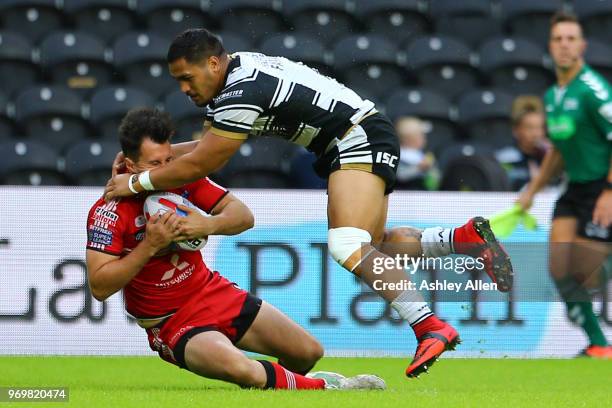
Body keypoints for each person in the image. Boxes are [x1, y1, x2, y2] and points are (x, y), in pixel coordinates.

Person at [103, 29, 514, 377]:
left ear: (213, 64)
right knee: (373, 245)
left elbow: (208, 160)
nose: (184, 89)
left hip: (356, 138)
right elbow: (205, 147)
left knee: (345, 244)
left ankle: (428, 326)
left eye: (186, 78)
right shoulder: (237, 76)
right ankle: (461, 240)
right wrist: (151, 161)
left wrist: (137, 181)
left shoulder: (240, 90)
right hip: (359, 135)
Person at [86, 107, 385, 390]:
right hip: (170, 321)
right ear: (129, 164)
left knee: (307, 352)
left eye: (168, 160)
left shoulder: (180, 178)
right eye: (154, 164)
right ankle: (330, 388)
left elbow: (243, 216)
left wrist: (206, 225)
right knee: (243, 370)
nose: (164, 170)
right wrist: (150, 246)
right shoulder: (109, 211)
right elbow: (99, 286)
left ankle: (289, 387)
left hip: (211, 292)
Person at [517, 12, 612, 358]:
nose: (564, 45)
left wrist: (609, 192)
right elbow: (558, 148)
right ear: (550, 46)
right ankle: (599, 345)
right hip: (574, 189)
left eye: (571, 38)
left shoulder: (593, 90)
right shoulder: (554, 95)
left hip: (602, 186)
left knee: (588, 275)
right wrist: (533, 189)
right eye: (558, 39)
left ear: (583, 46)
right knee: (559, 268)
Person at [496, 96, 550, 191]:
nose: (536, 134)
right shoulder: (505, 158)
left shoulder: (549, 156)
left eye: (540, 128)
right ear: (516, 130)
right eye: (530, 128)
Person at [394, 116, 438, 190]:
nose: (425, 138)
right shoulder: (397, 156)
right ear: (407, 139)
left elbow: (434, 182)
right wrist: (418, 168)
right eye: (421, 135)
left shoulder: (423, 155)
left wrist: (431, 169)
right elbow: (400, 176)